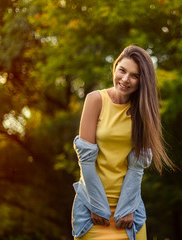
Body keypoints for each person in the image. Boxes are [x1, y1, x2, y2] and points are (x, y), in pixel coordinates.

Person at [71, 45, 175, 240]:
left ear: (142, 81)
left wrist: (128, 208)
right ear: (115, 68)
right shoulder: (95, 100)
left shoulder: (143, 111)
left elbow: (136, 168)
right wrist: (96, 206)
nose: (126, 79)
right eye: (123, 70)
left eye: (134, 75)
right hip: (91, 212)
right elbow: (85, 161)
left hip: (128, 213)